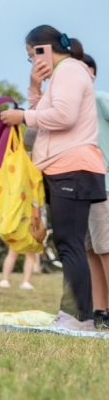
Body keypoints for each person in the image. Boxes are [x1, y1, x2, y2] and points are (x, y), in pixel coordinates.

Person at [0, 26, 106, 330]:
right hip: (63, 167)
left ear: (43, 49)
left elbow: (63, 116)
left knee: (69, 243)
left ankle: (79, 317)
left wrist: (22, 117)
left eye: (31, 55)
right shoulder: (61, 75)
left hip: (73, 166)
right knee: (69, 243)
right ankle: (76, 314)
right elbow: (44, 117)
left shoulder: (70, 71)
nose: (32, 61)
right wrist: (34, 88)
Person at [0, 96, 40, 290]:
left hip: (9, 189)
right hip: (20, 191)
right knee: (28, 249)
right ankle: (21, 281)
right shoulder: (9, 133)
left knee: (16, 247)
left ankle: (8, 279)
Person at [80, 54, 109, 328]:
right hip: (82, 188)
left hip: (104, 187)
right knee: (91, 250)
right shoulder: (71, 108)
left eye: (86, 71)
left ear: (93, 75)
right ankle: (101, 311)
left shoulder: (100, 99)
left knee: (106, 249)